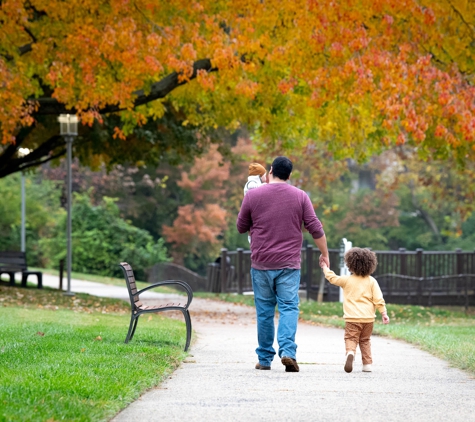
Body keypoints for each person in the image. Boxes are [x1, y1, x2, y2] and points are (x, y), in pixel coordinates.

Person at [236, 156, 329, 372]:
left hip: (261, 263)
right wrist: (324, 254)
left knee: (265, 310)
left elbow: (241, 227)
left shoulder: (253, 195)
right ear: (289, 175)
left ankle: (265, 359)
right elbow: (315, 227)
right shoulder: (300, 196)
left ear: (270, 171)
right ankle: (288, 351)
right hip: (288, 264)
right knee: (288, 307)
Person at [321, 247, 390, 373]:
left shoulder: (347, 280)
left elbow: (332, 278)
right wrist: (383, 313)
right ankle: (367, 364)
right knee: (365, 340)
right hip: (368, 319)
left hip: (352, 318)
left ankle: (350, 353)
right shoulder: (372, 281)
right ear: (371, 265)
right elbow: (378, 299)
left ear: (350, 265)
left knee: (351, 338)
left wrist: (325, 267)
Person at [243, 163, 267, 244]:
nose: (266, 177)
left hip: (254, 211)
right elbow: (255, 195)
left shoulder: (257, 184)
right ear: (259, 176)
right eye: (264, 175)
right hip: (252, 211)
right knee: (252, 228)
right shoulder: (252, 184)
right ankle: (252, 241)